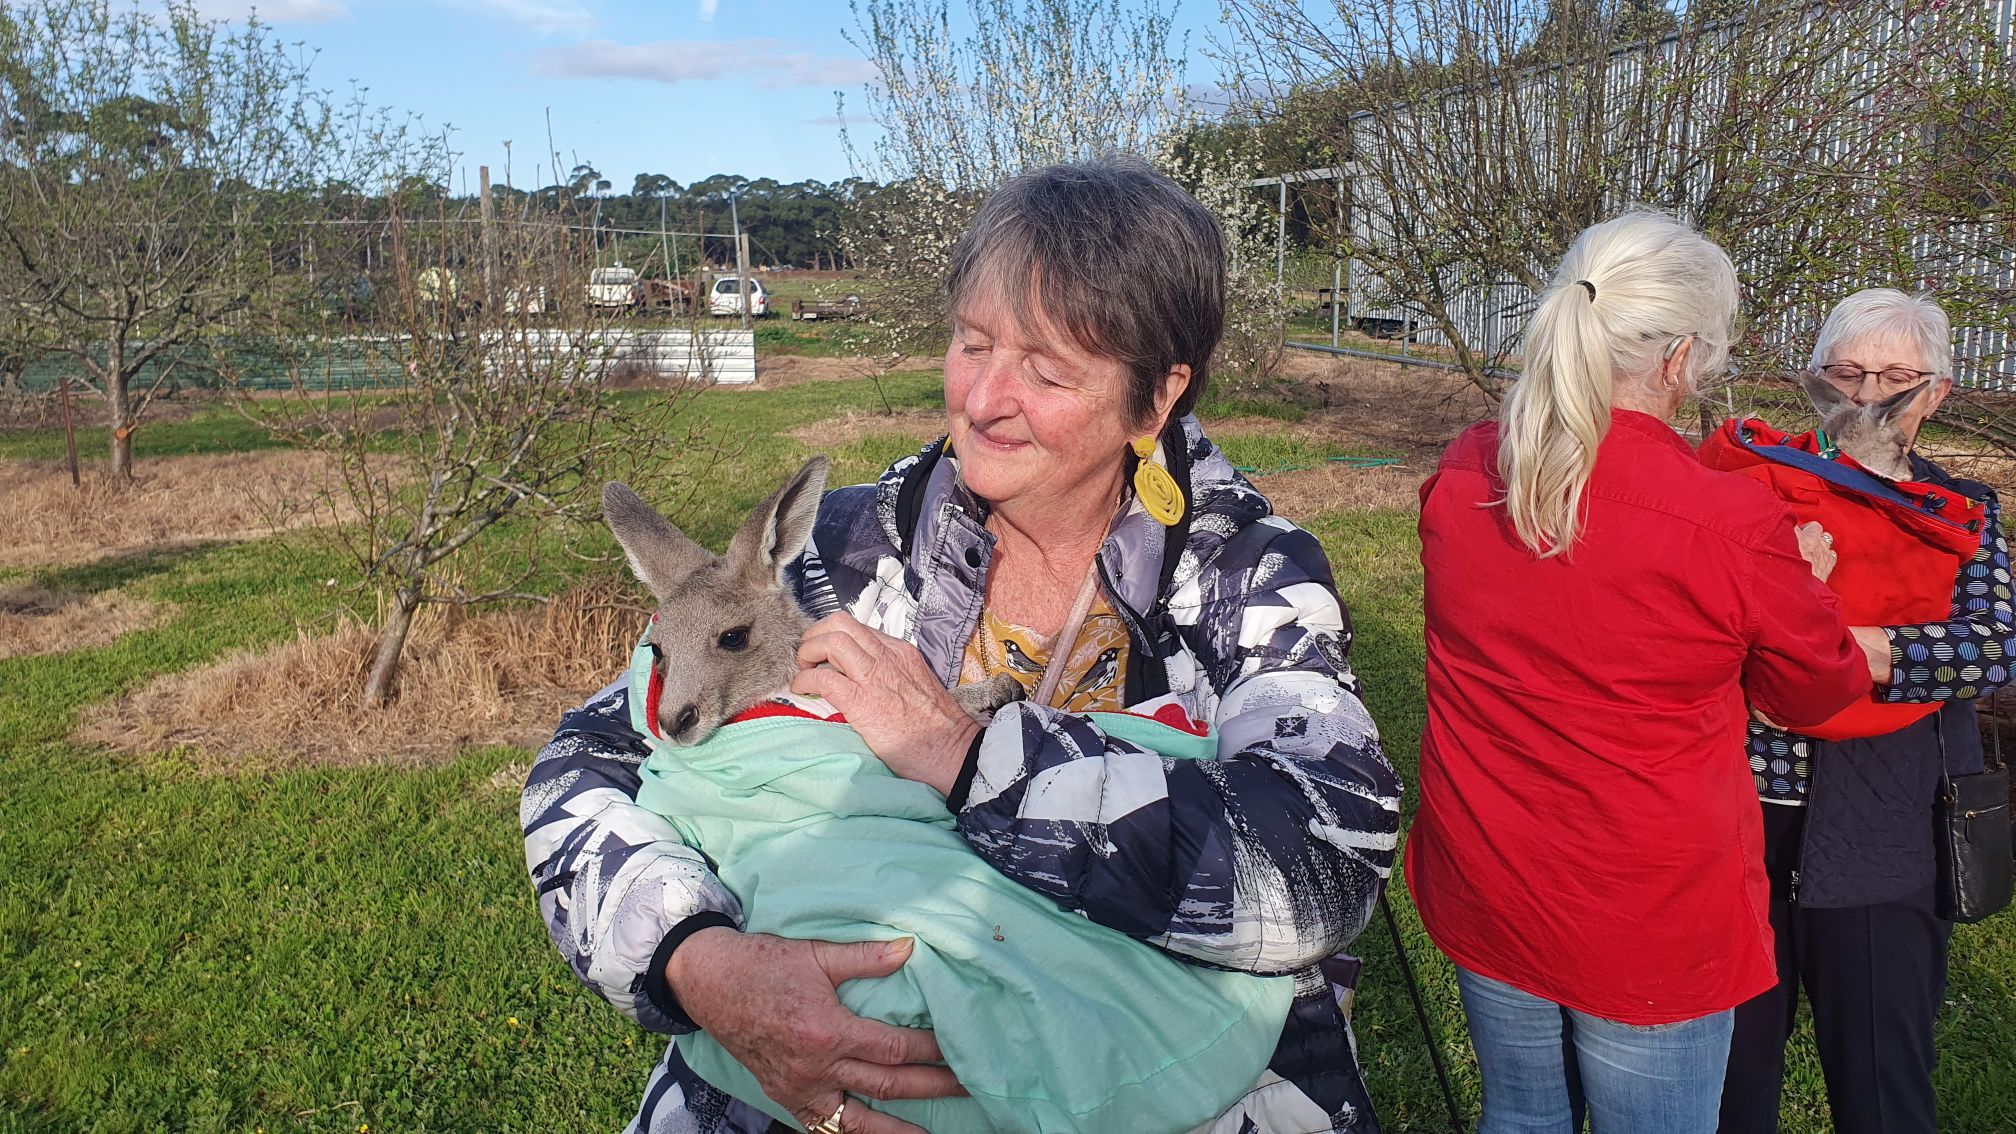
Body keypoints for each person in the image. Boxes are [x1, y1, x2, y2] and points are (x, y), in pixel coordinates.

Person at [522, 158, 1404, 1134]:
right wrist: (698, 960)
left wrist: (964, 756)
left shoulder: (1242, 579)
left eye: (1045, 368)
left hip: (1167, 1085)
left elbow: (1320, 867)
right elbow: (585, 767)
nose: (982, 399)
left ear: (1155, 402)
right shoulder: (834, 557)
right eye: (972, 342)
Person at [1408, 209, 1872, 1134]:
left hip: (1489, 868)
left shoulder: (1466, 473)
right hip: (1644, 910)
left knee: (1522, 1119)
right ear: (1680, 358)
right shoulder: (1730, 523)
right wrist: (1806, 583)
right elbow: (1814, 692)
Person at [1717, 289, 2014, 1134]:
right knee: (1732, 1082)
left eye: (1896, 376)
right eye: (1849, 372)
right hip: (1743, 819)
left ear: (1938, 391)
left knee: (1883, 1085)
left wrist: (1826, 645)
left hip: (1886, 826)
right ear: (1818, 380)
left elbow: (1991, 646)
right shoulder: (1758, 490)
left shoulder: (1958, 510)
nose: (1869, 395)